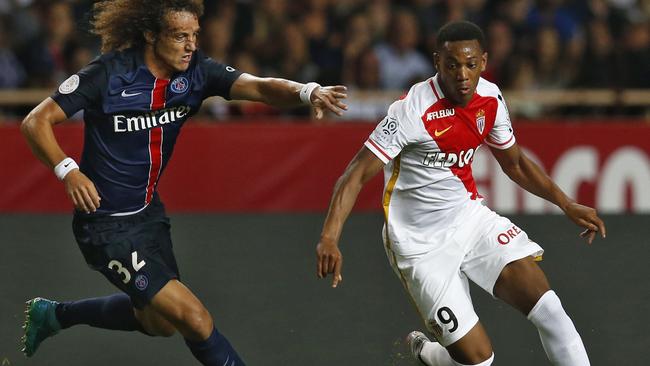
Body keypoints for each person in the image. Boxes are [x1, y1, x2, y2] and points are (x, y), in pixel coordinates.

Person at [20, 1, 347, 365]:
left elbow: (260, 87)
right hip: (104, 226)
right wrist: (69, 171)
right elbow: (36, 122)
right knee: (196, 318)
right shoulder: (108, 74)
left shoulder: (197, 72)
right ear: (150, 35)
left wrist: (308, 91)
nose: (190, 45)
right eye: (180, 36)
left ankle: (55, 315)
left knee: (160, 324)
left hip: (148, 217)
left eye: (194, 35)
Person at [315, 20, 604, 366]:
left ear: (483, 61)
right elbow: (355, 175)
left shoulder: (491, 98)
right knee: (480, 362)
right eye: (452, 65)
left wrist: (566, 203)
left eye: (470, 64)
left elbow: (515, 164)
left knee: (551, 310)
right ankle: (428, 354)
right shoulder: (411, 110)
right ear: (437, 62)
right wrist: (329, 237)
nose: (462, 74)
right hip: (418, 245)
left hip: (469, 219)